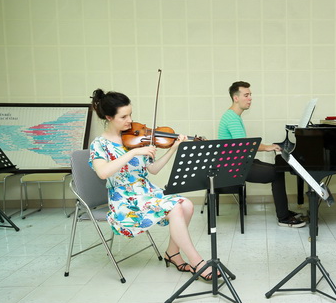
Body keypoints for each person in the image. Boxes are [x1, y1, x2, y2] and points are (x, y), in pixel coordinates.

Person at [89, 89, 217, 281]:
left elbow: (153, 169)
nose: (130, 120)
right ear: (109, 117)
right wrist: (132, 154)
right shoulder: (99, 144)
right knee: (175, 208)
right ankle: (198, 262)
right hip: (124, 199)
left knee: (187, 205)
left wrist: (173, 149)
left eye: (130, 114)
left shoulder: (134, 138)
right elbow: (103, 172)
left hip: (147, 191)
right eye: (123, 117)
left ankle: (172, 253)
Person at [217, 81, 306, 228]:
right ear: (236, 98)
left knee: (277, 168)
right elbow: (244, 145)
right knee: (277, 172)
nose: (250, 98)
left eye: (250, 95)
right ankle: (283, 218)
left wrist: (267, 147)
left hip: (239, 162)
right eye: (246, 95)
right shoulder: (232, 118)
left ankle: (284, 212)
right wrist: (267, 148)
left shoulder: (232, 115)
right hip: (234, 168)